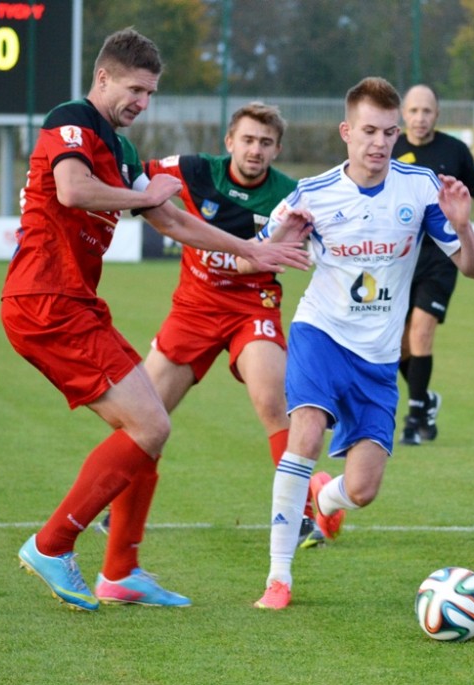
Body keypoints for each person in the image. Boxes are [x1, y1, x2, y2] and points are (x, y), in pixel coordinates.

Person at [1, 28, 308, 611]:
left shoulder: (120, 151)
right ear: (103, 78)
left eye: (150, 93)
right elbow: (72, 190)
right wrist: (144, 197)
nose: (143, 102)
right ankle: (52, 544)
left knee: (148, 427)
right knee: (149, 427)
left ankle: (120, 572)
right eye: (135, 90)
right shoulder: (72, 118)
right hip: (46, 301)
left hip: (74, 304)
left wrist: (253, 249)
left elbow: (174, 221)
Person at [251, 76, 474, 610]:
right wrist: (282, 239)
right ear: (346, 132)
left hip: (379, 357)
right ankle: (278, 578)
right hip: (321, 334)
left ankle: (326, 497)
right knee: (305, 434)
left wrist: (464, 226)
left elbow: (471, 269)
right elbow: (251, 259)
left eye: (388, 132)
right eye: (369, 131)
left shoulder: (420, 187)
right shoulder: (312, 193)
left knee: (363, 490)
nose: (379, 142)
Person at [94, 102, 326, 548]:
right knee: (142, 415)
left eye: (265, 142)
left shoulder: (293, 195)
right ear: (229, 141)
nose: (255, 150)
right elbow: (134, 175)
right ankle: (118, 505)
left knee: (272, 402)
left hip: (253, 307)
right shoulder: (195, 170)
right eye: (248, 140)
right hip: (193, 310)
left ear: (277, 149)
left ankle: (298, 515)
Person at [391, 84, 474, 445]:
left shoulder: (455, 151)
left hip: (442, 256)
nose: (420, 117)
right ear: (403, 114)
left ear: (437, 115)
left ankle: (412, 420)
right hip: (399, 257)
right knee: (398, 346)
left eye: (427, 111)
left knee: (421, 331)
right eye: (413, 110)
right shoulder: (389, 149)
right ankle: (426, 400)